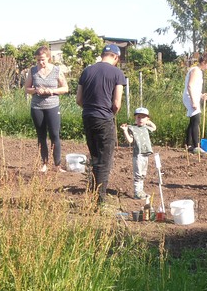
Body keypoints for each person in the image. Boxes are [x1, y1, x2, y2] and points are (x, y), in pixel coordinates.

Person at [76, 44, 127, 204]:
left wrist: (91, 109)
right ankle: (100, 201)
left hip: (88, 117)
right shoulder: (117, 73)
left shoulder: (87, 71)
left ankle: (92, 194)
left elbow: (78, 100)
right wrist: (110, 113)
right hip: (104, 118)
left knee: (95, 156)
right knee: (104, 160)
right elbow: (117, 103)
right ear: (116, 57)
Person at [24, 45, 69, 173]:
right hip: (37, 107)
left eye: (43, 59)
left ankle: (57, 165)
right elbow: (27, 88)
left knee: (55, 135)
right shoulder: (33, 71)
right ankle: (44, 164)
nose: (40, 62)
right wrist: (36, 90)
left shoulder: (56, 70)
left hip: (52, 106)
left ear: (48, 58)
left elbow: (65, 88)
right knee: (41, 136)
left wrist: (52, 91)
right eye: (38, 60)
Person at [120, 107, 157, 200]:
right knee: (138, 174)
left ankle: (141, 191)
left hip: (146, 154)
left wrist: (147, 121)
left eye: (143, 117)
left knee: (143, 174)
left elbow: (154, 127)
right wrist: (125, 131)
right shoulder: (132, 128)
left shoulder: (146, 127)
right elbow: (130, 140)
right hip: (138, 155)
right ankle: (137, 192)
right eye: (138, 117)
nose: (140, 119)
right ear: (135, 118)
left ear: (147, 119)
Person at [183, 54, 207, 154]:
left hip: (193, 96)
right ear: (203, 63)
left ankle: (188, 145)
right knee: (196, 120)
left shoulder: (198, 71)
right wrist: (193, 101)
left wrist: (201, 95)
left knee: (192, 122)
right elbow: (190, 86)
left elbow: (194, 88)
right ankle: (196, 146)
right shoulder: (196, 70)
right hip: (190, 97)